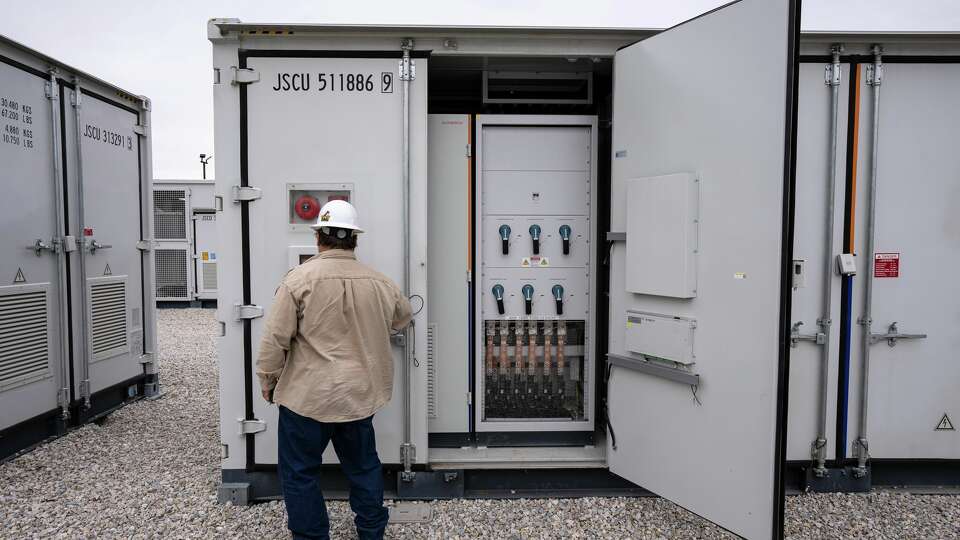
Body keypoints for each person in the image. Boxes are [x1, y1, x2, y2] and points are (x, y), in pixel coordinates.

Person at [256, 199, 412, 540]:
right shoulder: (380, 283)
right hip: (358, 397)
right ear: (355, 239)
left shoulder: (298, 280)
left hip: (306, 399)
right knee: (364, 467)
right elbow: (402, 319)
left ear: (318, 238)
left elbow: (275, 340)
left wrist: (268, 380)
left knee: (299, 473)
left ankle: (311, 536)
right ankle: (371, 531)